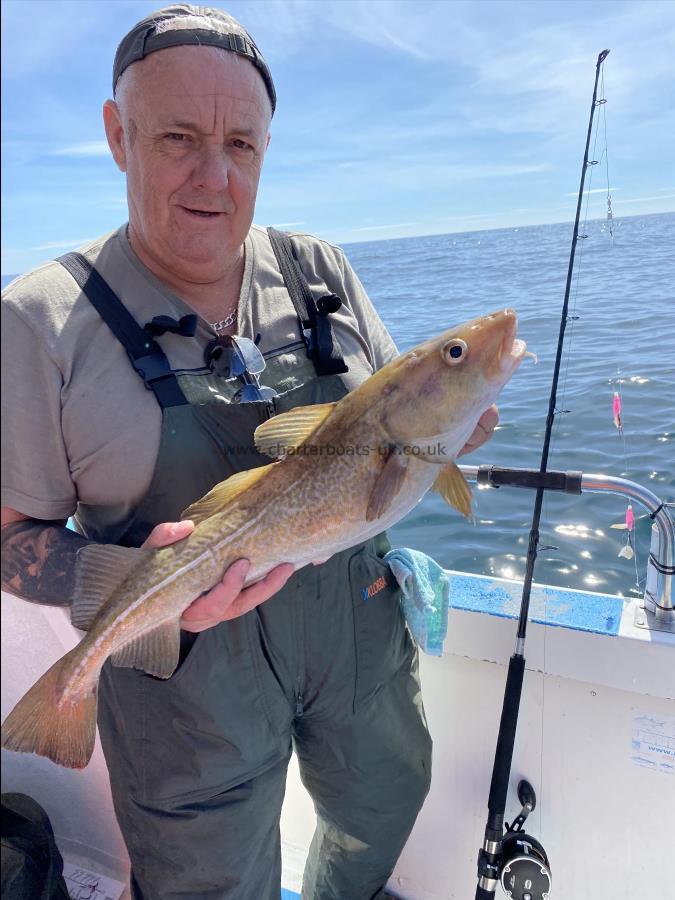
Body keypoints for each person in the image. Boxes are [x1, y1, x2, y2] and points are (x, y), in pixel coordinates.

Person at [1, 5, 499, 899]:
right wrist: (136, 585)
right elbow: (8, 537)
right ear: (118, 136)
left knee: (386, 798)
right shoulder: (38, 322)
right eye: (178, 137)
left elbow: (391, 421)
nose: (214, 176)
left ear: (268, 144)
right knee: (206, 881)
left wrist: (455, 431)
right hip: (188, 693)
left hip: (355, 639)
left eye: (241, 143)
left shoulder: (319, 269)